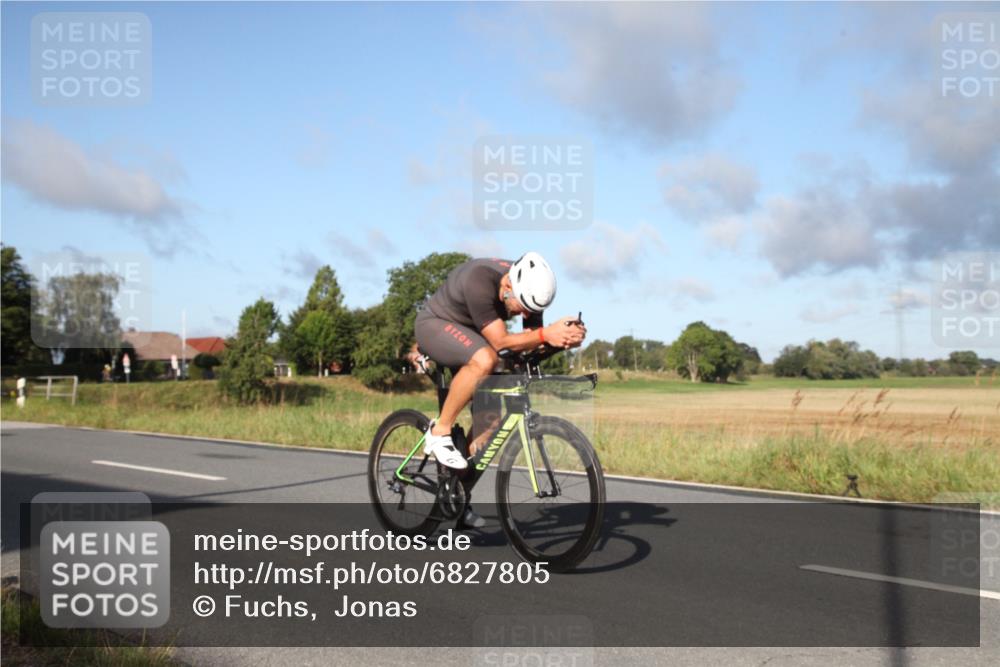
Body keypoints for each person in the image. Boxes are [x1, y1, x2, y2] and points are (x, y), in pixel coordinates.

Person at [413, 253, 586, 526]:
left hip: (476, 336)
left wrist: (562, 339)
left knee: (490, 422)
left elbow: (532, 344)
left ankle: (456, 498)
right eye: (522, 308)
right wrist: (545, 334)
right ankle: (440, 431)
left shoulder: (529, 291)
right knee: (485, 359)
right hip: (437, 324)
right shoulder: (480, 280)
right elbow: (501, 341)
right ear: (508, 287)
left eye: (532, 312)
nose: (525, 315)